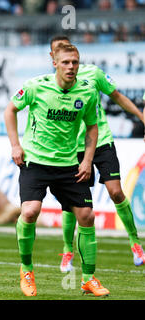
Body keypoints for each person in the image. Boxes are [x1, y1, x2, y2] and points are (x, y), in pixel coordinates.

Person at [4, 43, 110, 297]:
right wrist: (15, 145)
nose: (71, 67)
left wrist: (87, 161)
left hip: (69, 165)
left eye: (75, 62)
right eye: (65, 62)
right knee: (30, 211)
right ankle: (26, 270)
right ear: (55, 63)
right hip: (35, 162)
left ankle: (88, 278)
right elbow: (10, 110)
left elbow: (92, 127)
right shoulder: (35, 86)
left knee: (86, 216)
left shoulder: (87, 92)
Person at [49, 35, 145, 272]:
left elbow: (118, 96)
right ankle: (67, 250)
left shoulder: (94, 74)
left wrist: (142, 117)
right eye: (59, 54)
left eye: (72, 58)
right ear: (53, 58)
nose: (70, 64)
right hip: (73, 149)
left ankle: (135, 242)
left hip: (101, 141)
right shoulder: (49, 85)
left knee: (115, 191)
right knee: (74, 203)